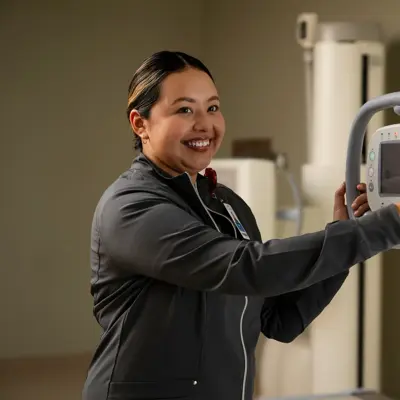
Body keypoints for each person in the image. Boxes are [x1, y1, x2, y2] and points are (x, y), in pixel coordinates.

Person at [82, 51, 400, 400]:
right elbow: (246, 267)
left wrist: (345, 227)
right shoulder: (131, 207)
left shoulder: (226, 203)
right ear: (140, 124)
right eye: (184, 109)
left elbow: (281, 319)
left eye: (213, 108)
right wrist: (388, 224)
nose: (205, 124)